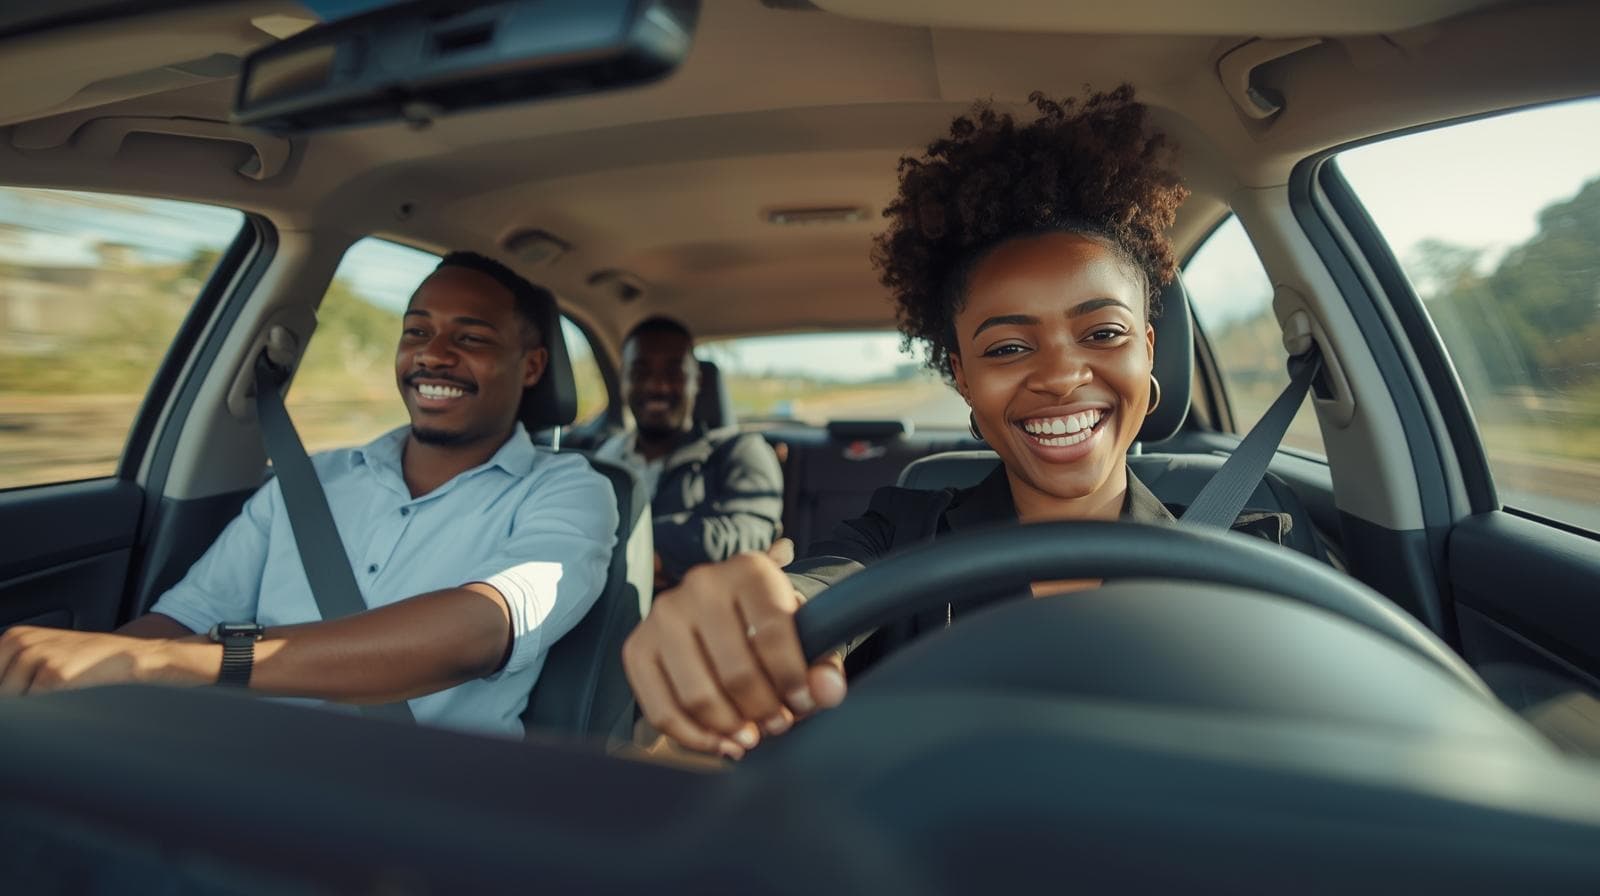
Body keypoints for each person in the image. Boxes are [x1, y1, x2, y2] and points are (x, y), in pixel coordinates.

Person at [621, 86, 1295, 759]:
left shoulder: (1252, 554)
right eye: (1007, 347)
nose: (1060, 376)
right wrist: (751, 622)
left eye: (1103, 332)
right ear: (963, 377)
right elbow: (815, 590)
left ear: (1148, 349)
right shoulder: (902, 536)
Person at [0, 251, 618, 738]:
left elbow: (480, 628)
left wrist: (184, 663)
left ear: (532, 366)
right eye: (416, 331)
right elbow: (187, 616)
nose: (433, 354)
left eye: (471, 337)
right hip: (231, 763)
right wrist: (72, 671)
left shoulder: (570, 491)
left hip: (420, 796)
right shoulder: (314, 479)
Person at [595, 316, 784, 590]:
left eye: (673, 373)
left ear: (697, 381)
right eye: (640, 372)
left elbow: (751, 532)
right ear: (622, 379)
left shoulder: (740, 451)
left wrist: (634, 548)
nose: (656, 386)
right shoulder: (599, 458)